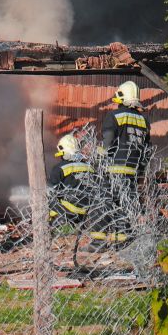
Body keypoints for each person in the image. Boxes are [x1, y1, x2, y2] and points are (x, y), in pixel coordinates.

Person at [95, 80, 151, 242]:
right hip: (132, 172)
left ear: (121, 98)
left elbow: (108, 142)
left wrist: (98, 162)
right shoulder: (144, 121)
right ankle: (122, 242)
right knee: (124, 205)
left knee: (103, 203)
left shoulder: (113, 116)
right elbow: (147, 150)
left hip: (113, 170)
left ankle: (97, 242)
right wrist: (140, 172)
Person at [48, 134, 96, 227]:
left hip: (70, 210)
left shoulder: (59, 168)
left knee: (46, 194)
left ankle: (58, 221)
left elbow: (51, 190)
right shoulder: (89, 166)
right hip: (89, 209)